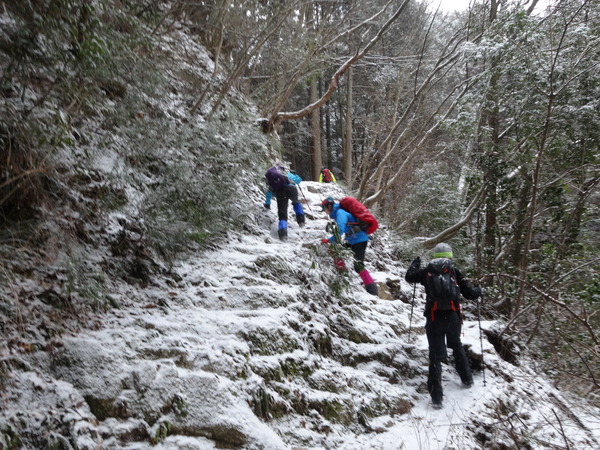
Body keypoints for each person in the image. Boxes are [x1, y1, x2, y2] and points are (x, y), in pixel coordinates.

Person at [405, 242, 482, 408]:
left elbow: (409, 277)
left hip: (433, 318)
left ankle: (436, 398)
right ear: (450, 256)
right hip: (453, 317)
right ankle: (467, 379)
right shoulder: (454, 272)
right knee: (456, 346)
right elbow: (470, 295)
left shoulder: (427, 272)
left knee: (435, 356)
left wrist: (415, 264)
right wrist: (478, 290)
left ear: (434, 256)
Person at [320, 197, 378, 296]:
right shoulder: (339, 212)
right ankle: (342, 276)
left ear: (329, 206)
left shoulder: (340, 212)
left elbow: (340, 230)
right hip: (353, 239)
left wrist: (329, 240)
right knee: (337, 252)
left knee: (358, 265)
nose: (325, 212)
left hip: (359, 240)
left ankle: (372, 289)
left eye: (324, 209)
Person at [264, 166, 305, 240]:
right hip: (292, 189)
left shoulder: (273, 178)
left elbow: (269, 192)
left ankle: (283, 234)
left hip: (280, 191)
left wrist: (267, 204)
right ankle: (301, 221)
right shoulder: (287, 173)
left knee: (282, 214)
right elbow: (299, 180)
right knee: (296, 203)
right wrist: (294, 175)